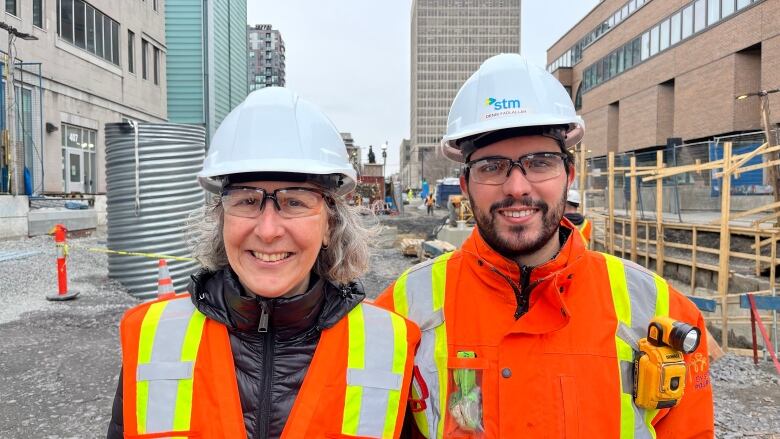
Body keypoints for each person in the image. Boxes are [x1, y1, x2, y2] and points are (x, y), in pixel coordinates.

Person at [375, 54, 713, 438]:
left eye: (539, 162)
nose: (517, 187)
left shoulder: (658, 311)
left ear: (568, 175)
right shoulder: (402, 309)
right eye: (491, 167)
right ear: (465, 186)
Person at [107, 88, 420, 439]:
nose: (268, 230)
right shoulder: (155, 340)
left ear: (330, 225)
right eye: (246, 200)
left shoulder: (388, 348)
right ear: (221, 218)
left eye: (296, 202)